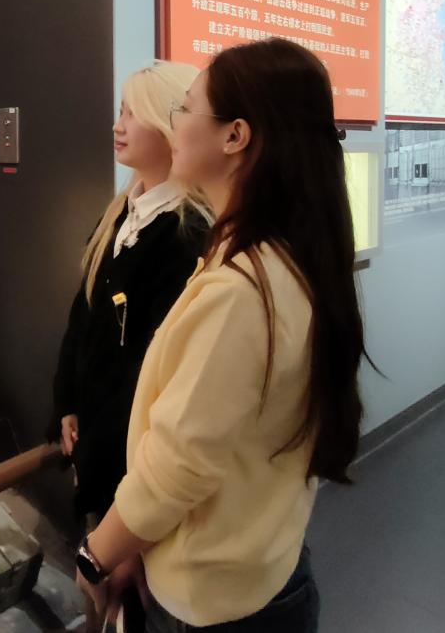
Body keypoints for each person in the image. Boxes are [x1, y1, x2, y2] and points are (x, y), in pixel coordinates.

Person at [74, 38, 371, 632]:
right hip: (259, 569)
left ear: (235, 136)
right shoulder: (273, 258)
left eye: (185, 108)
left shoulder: (240, 290)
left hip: (217, 605)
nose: (175, 123)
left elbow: (180, 462)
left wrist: (97, 553)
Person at [49, 62, 212, 631]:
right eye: (121, 111)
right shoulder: (121, 213)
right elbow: (83, 314)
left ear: (171, 126)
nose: (118, 125)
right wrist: (67, 401)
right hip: (101, 453)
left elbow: (153, 375)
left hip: (137, 470)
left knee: (134, 605)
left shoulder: (187, 235)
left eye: (133, 113)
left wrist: (127, 527)